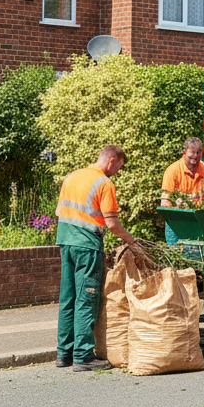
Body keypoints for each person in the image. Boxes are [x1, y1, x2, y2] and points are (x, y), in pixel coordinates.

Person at [55, 145, 142, 372]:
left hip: (66, 243)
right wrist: (132, 242)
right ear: (111, 160)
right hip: (87, 246)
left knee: (68, 298)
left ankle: (64, 353)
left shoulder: (71, 177)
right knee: (86, 299)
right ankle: (83, 356)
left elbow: (62, 213)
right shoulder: (104, 183)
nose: (117, 172)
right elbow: (112, 223)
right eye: (119, 166)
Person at [161, 137, 204, 243]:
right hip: (176, 222)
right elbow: (165, 200)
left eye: (198, 152)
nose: (195, 156)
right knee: (175, 254)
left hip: (198, 221)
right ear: (184, 152)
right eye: (192, 152)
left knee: (197, 254)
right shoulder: (173, 171)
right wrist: (180, 210)